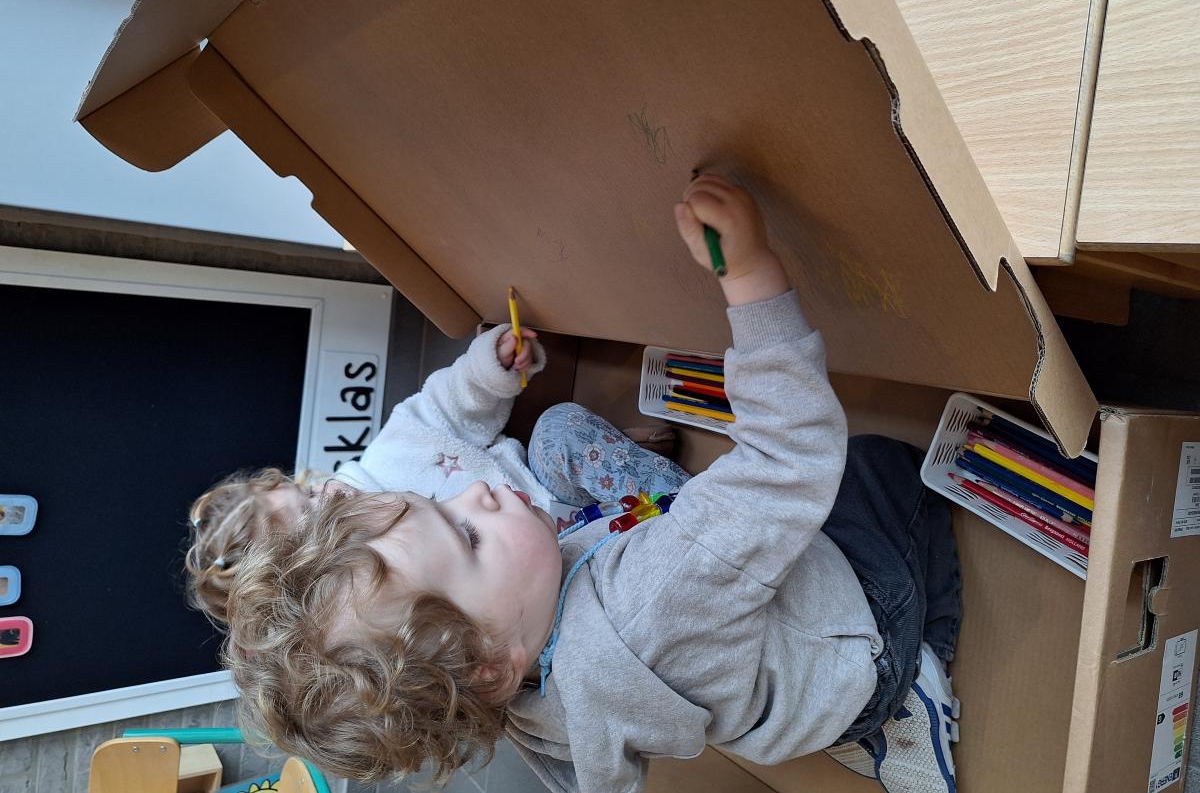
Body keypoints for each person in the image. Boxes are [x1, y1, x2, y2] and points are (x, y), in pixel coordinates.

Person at [222, 175, 962, 793]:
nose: (475, 492)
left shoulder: (512, 698)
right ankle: (914, 686)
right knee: (878, 466)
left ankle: (861, 715)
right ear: (489, 667)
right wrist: (751, 278)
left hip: (774, 706)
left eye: (441, 501)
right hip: (858, 646)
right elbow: (790, 456)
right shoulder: (652, 595)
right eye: (468, 536)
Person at [186, 326, 688, 626]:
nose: (327, 490)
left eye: (305, 488)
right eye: (313, 511)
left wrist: (489, 368)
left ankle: (683, 502)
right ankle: (639, 505)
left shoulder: (386, 458)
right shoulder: (377, 599)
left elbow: (443, 406)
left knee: (558, 430)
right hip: (559, 582)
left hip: (551, 495)